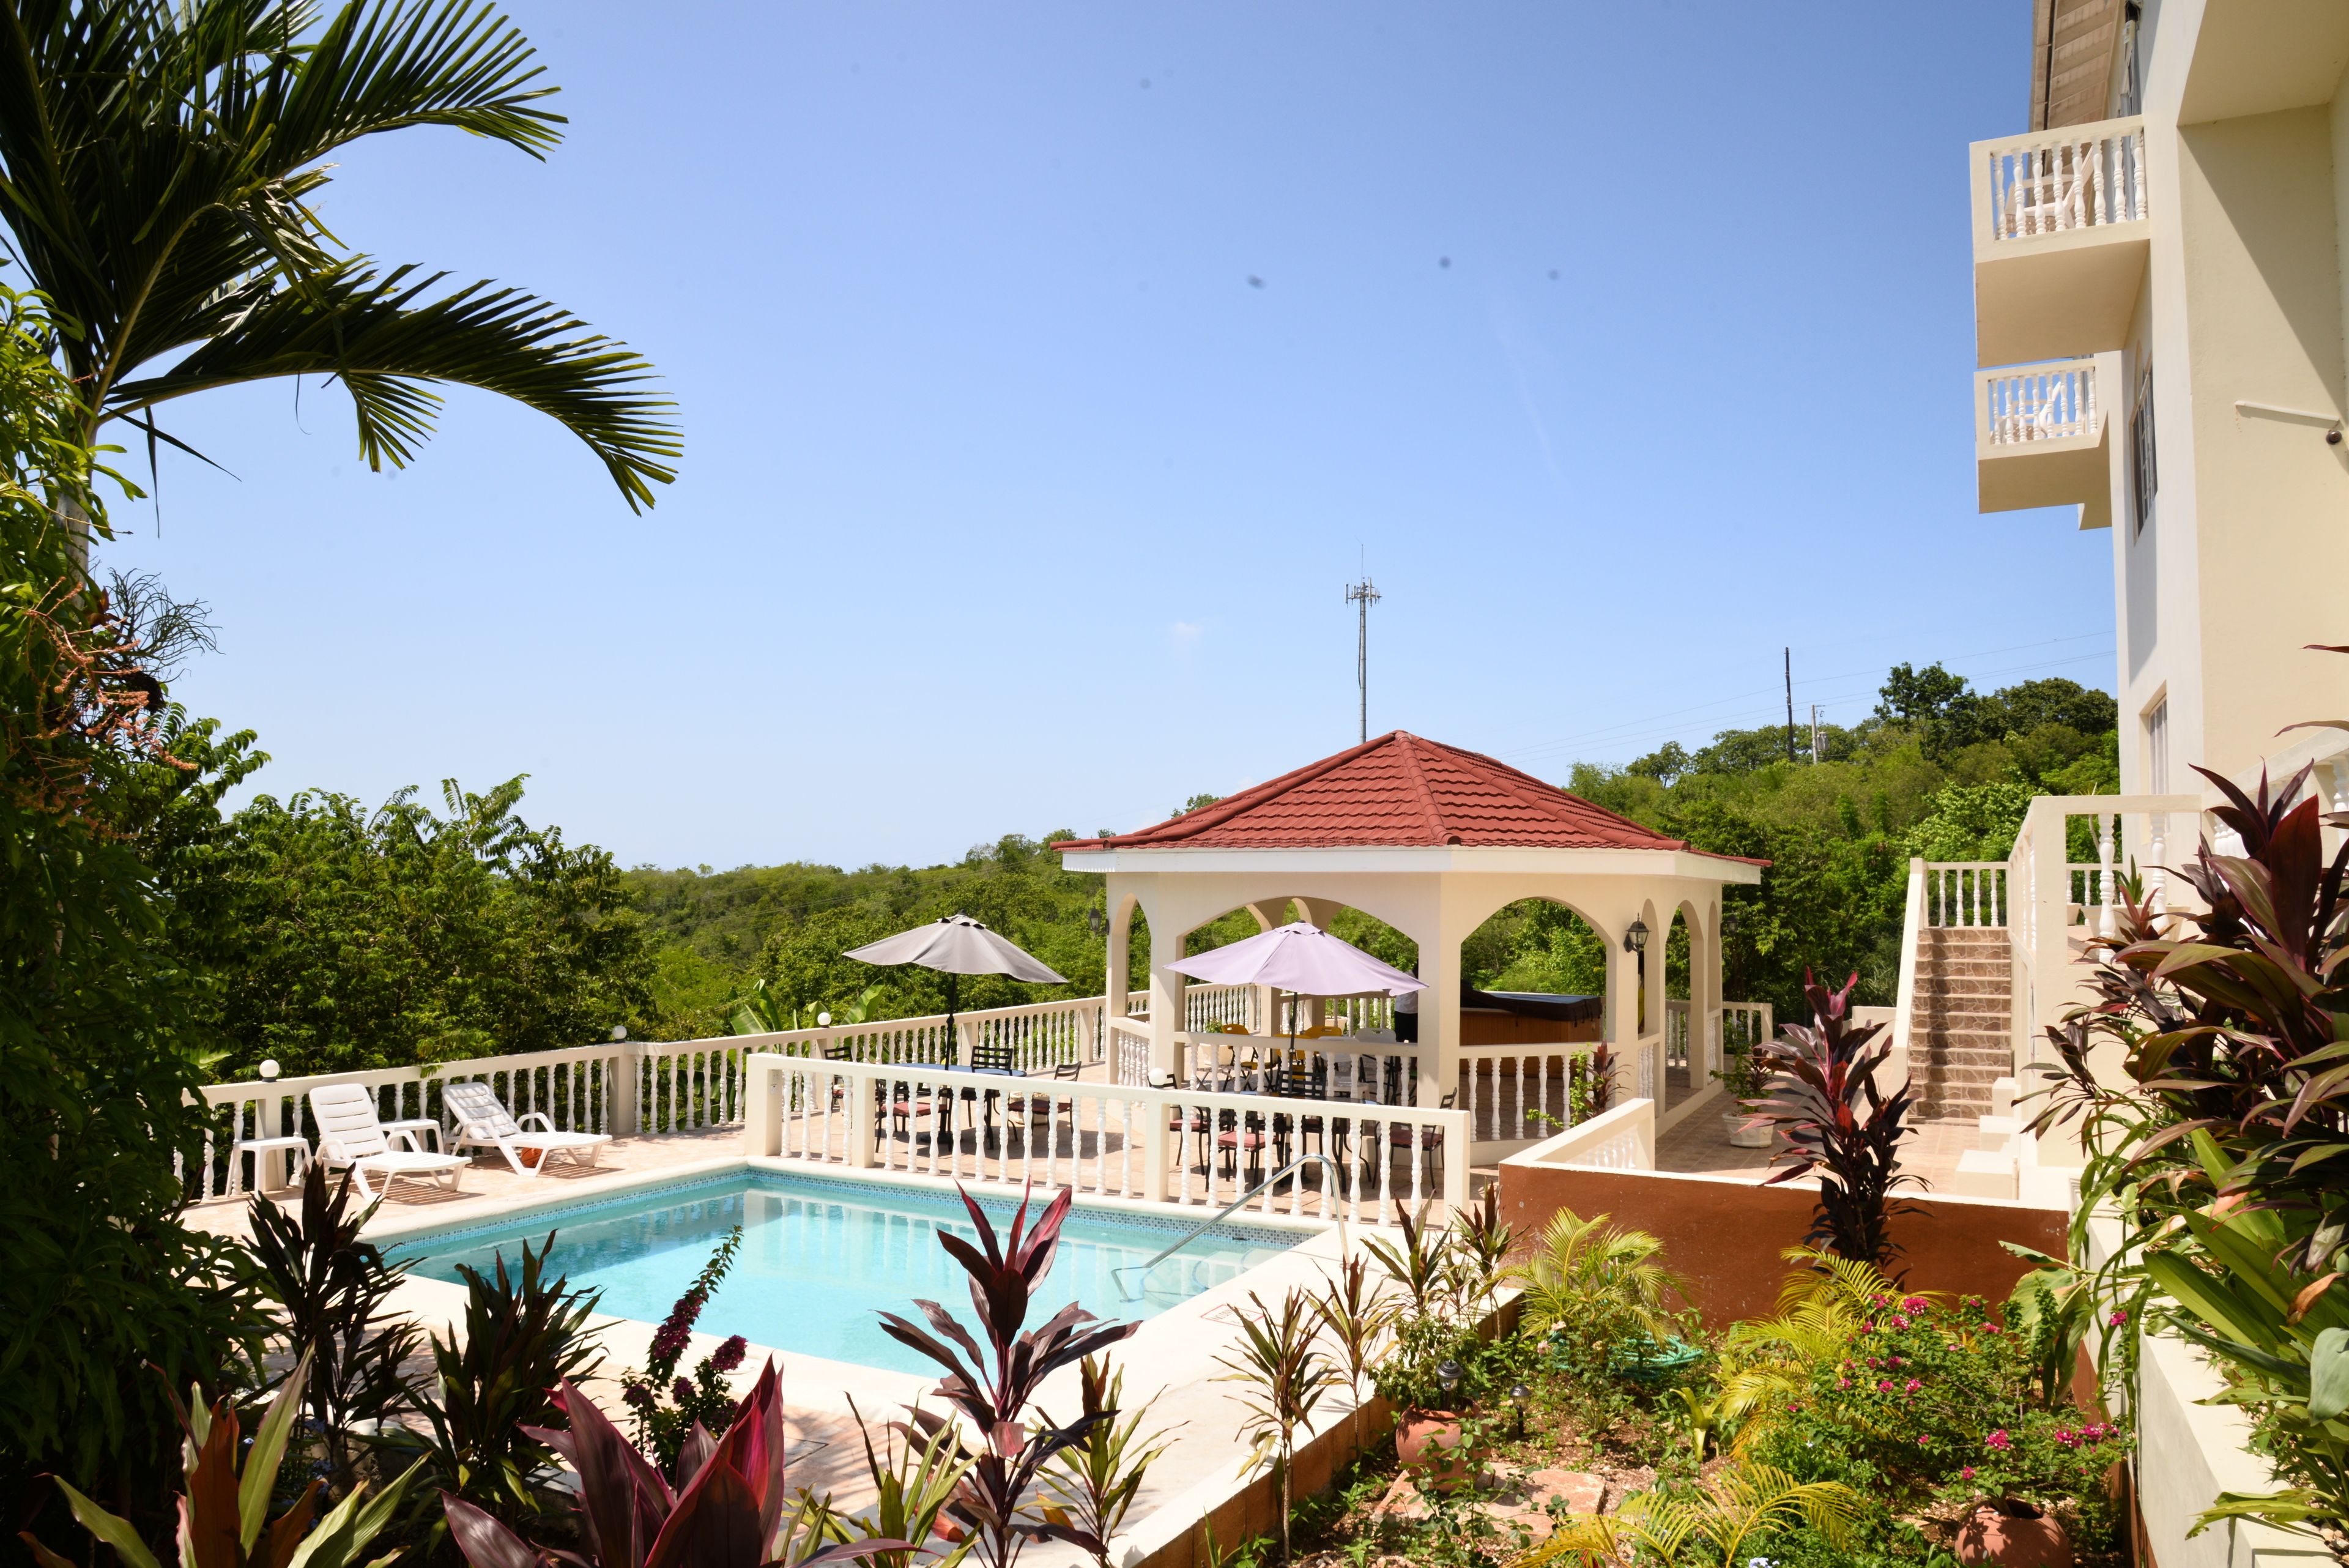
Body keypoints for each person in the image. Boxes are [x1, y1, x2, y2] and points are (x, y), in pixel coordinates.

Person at [1393, 967, 1419, 1043]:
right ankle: (1398, 1055)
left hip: (1415, 1012)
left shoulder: (1418, 977)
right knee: (1400, 1038)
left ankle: (1414, 1055)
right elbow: (1422, 991)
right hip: (1402, 1012)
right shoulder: (1407, 977)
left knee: (1415, 1039)